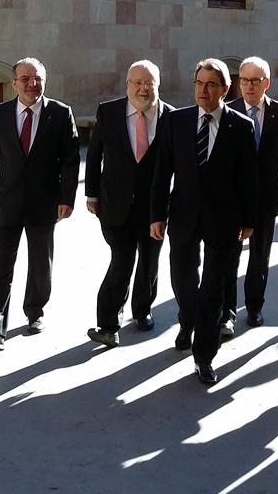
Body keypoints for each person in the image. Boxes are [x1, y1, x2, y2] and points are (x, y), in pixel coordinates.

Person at [150, 58, 258, 385]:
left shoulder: (240, 126)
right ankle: (189, 320)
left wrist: (249, 220)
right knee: (182, 280)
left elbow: (248, 178)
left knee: (213, 290)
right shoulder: (176, 121)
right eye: (199, 83)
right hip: (182, 215)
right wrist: (157, 214)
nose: (203, 90)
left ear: (225, 89)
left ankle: (204, 356)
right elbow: (161, 172)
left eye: (211, 84)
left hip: (223, 220)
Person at [0, 58, 80, 352]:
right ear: (14, 83)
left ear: (45, 81)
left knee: (40, 264)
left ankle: (35, 312)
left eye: (38, 78)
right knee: (2, 264)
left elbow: (70, 161)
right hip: (5, 202)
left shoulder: (60, 113)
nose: (32, 83)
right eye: (26, 78)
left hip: (44, 204)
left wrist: (66, 199)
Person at [84, 60, 175, 348]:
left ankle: (143, 309)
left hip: (154, 209)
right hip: (115, 205)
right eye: (137, 82)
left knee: (149, 264)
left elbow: (177, 164)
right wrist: (91, 194)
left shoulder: (171, 118)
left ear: (158, 86)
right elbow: (95, 154)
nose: (143, 88)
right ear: (127, 85)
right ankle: (108, 323)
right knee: (121, 261)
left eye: (149, 83)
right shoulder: (108, 112)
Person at [222, 57, 278, 335]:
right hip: (233, 199)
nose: (249, 86)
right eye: (244, 80)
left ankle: (254, 306)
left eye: (255, 80)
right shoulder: (227, 111)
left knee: (260, 257)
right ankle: (227, 311)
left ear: (267, 83)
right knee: (229, 256)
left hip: (267, 197)